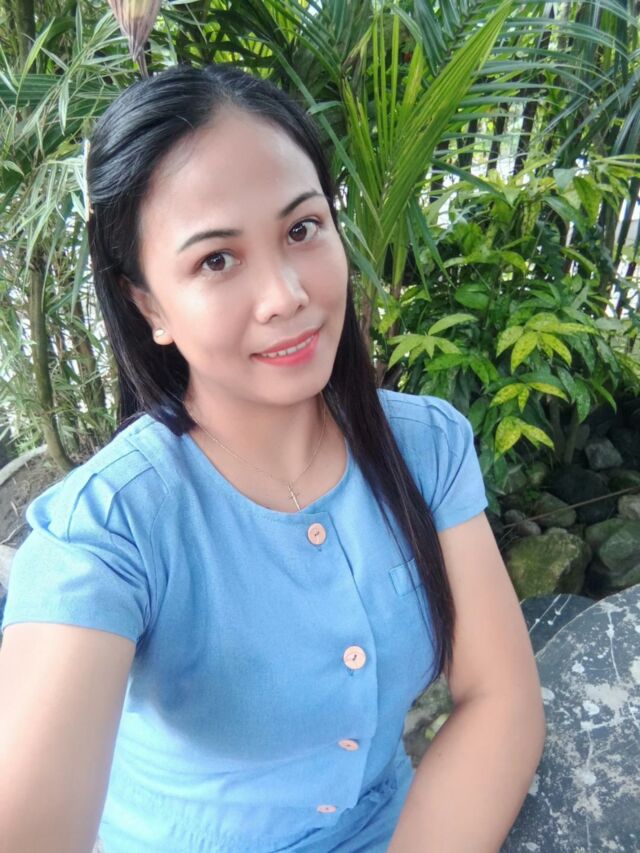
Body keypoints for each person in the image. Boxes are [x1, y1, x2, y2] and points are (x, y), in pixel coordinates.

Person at [0, 64, 545, 853]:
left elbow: (501, 697)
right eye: (216, 260)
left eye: (301, 229)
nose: (286, 293)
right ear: (148, 304)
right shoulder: (108, 531)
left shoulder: (425, 448)